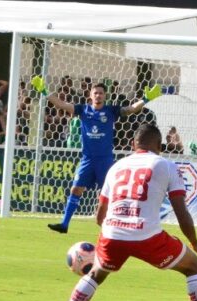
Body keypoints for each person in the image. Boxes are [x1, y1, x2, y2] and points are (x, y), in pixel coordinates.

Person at [45, 124, 197, 301]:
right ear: (160, 146)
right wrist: (194, 243)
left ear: (134, 145)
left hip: (112, 232)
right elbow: (182, 213)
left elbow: (99, 215)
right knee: (194, 266)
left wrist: (111, 236)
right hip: (147, 235)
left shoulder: (117, 166)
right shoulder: (166, 165)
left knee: (95, 274)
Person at [32, 76, 160, 233]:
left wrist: (146, 99)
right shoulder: (82, 110)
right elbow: (61, 104)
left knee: (107, 195)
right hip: (87, 159)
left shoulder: (111, 111)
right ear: (90, 95)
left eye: (101, 93)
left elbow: (131, 109)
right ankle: (64, 224)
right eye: (95, 93)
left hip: (105, 161)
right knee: (76, 189)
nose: (98, 95)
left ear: (105, 96)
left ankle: (114, 227)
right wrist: (44, 91)